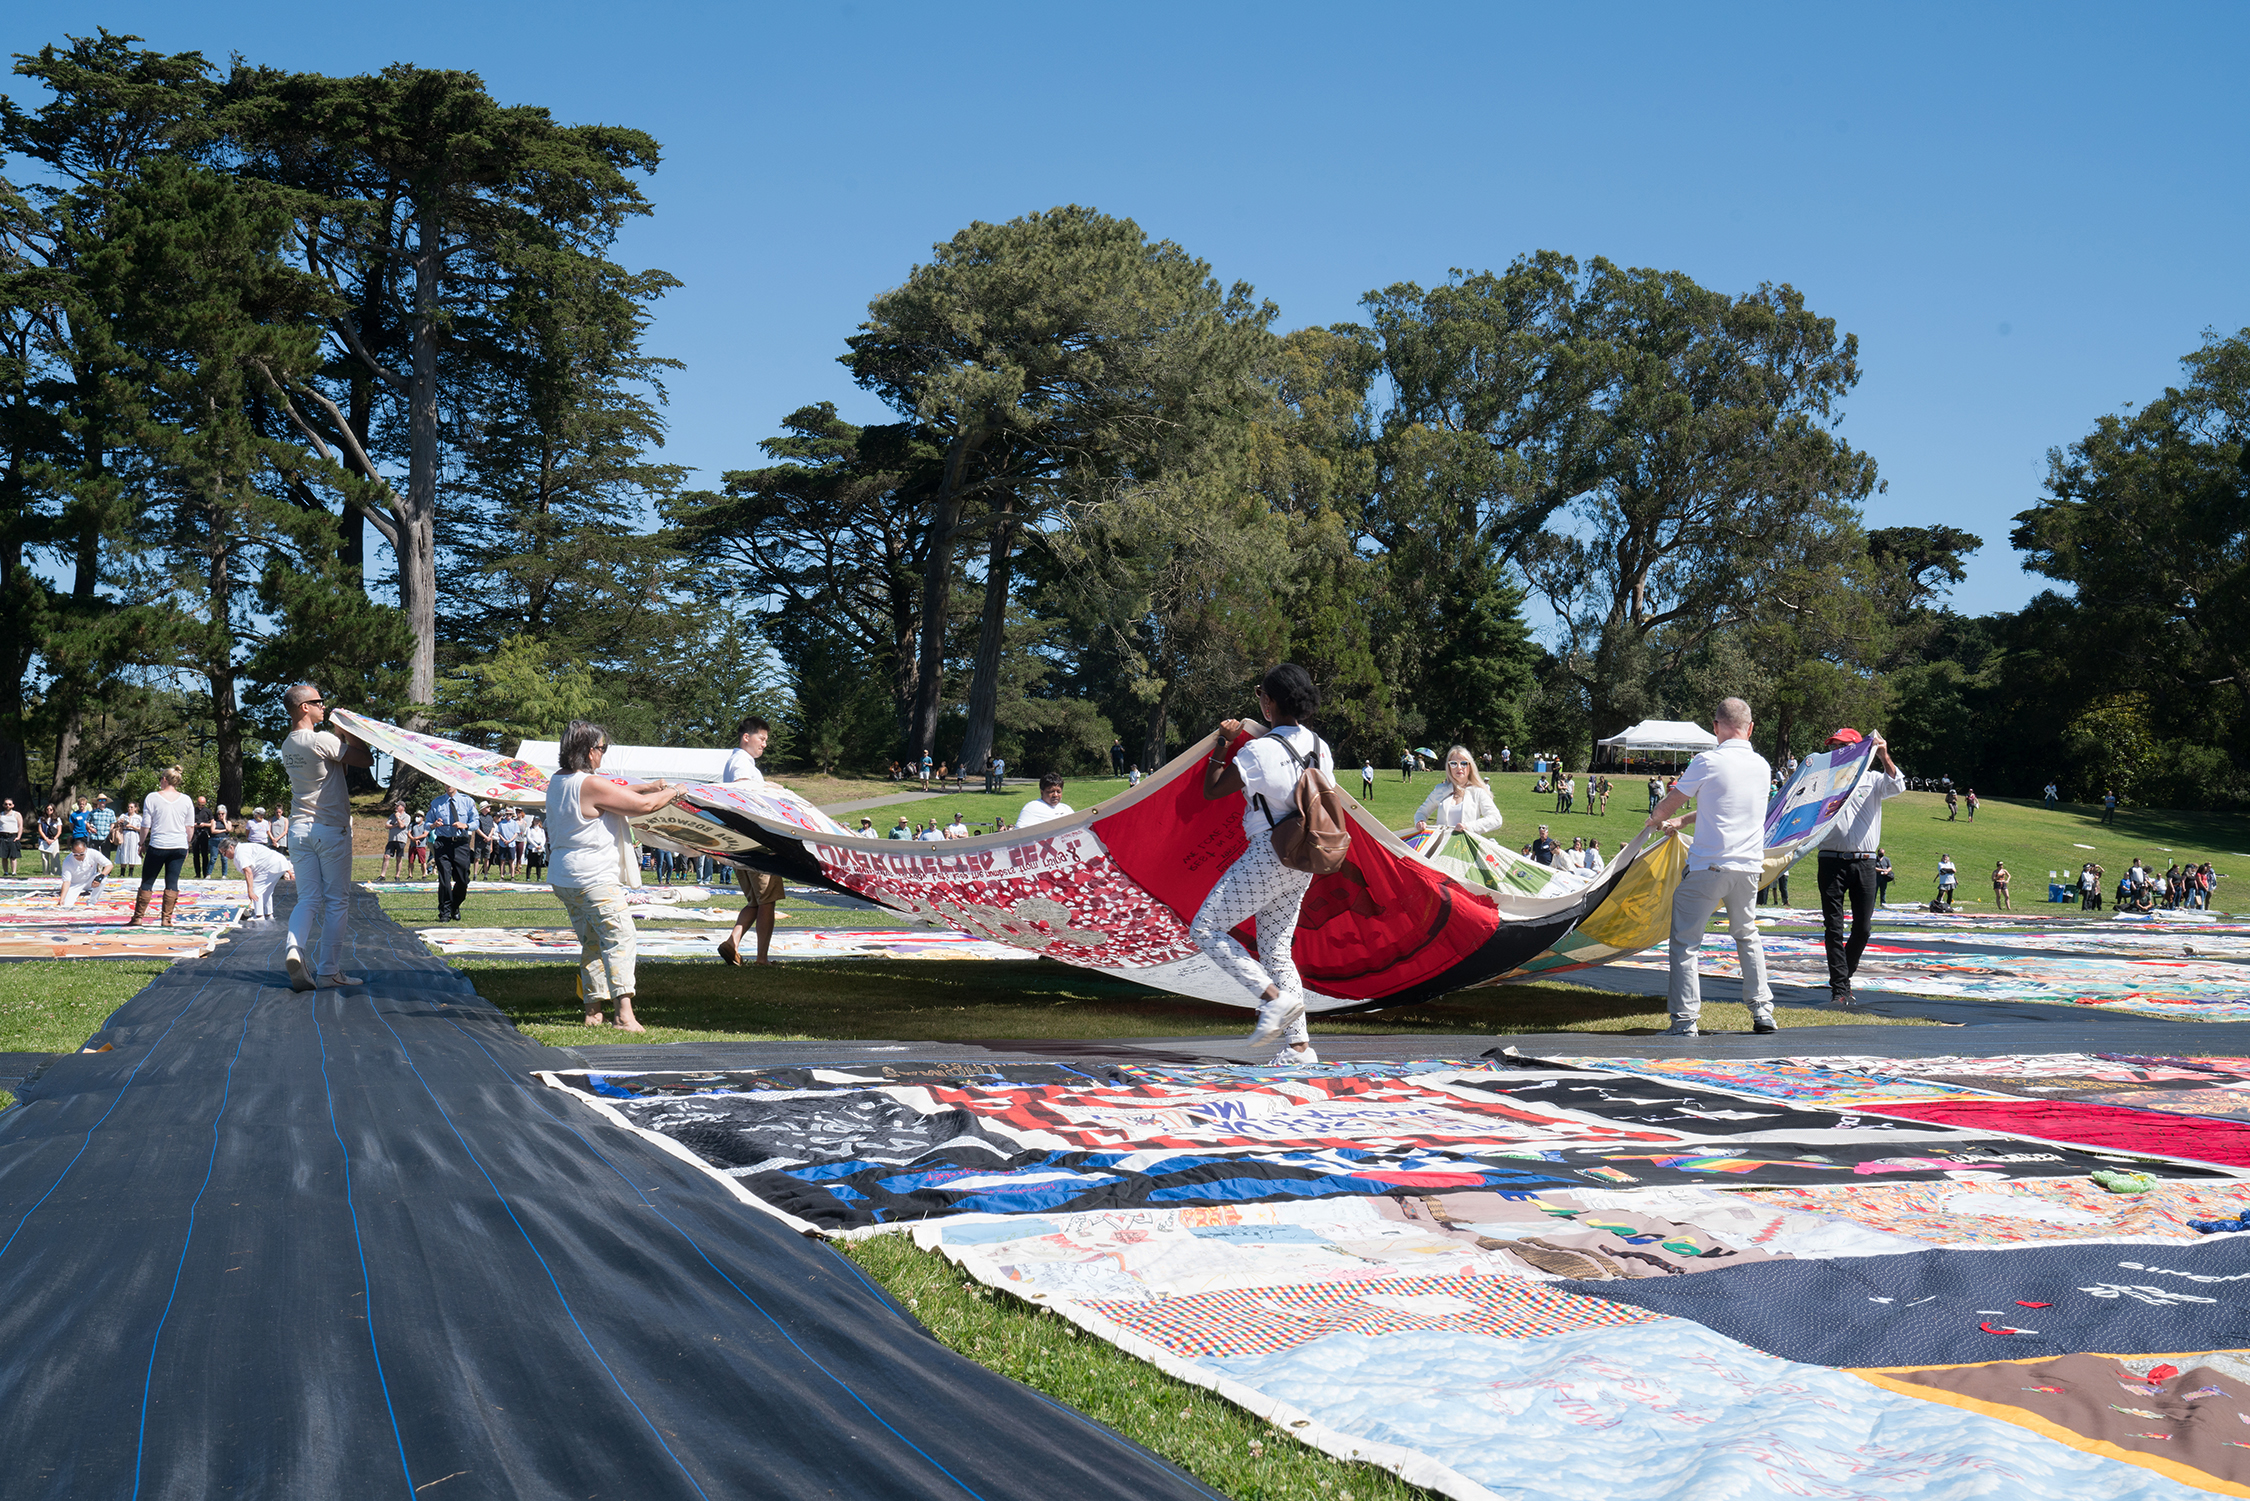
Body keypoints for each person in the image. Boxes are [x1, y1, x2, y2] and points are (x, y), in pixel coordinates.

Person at [1188, 663, 1332, 1066]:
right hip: (1305, 857)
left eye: (1260, 695)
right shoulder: (1321, 747)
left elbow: (1212, 789)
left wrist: (1223, 742)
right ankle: (1300, 1048)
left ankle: (1274, 1000)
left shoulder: (1258, 750)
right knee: (1276, 950)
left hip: (1271, 853)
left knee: (1206, 927)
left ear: (1270, 702)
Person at [1645, 697, 1775, 1038]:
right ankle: (1762, 1010)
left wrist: (1657, 818)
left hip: (1709, 866)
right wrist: (1683, 822)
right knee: (1747, 935)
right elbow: (1724, 805)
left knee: (1686, 942)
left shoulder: (1708, 761)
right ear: (1750, 728)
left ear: (1715, 727)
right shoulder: (1763, 766)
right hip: (1748, 868)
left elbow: (1676, 798)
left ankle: (1685, 1021)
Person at [547, 720, 688, 1030]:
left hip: (564, 876)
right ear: (587, 751)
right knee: (620, 938)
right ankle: (624, 1015)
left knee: (592, 942)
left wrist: (647, 786)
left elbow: (615, 791)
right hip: (593, 878)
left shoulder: (559, 780)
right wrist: (675, 791)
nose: (603, 755)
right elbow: (643, 806)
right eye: (601, 748)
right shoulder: (589, 785)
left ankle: (592, 1012)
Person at [278, 684, 373, 992]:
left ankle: (295, 949)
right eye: (317, 701)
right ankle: (329, 971)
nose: (323, 705)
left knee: (307, 898)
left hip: (299, 830)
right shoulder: (321, 739)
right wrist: (349, 728)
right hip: (330, 829)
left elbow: (338, 771)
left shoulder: (288, 744)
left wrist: (339, 734)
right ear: (304, 707)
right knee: (336, 901)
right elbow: (365, 760)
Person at [1810, 729, 1904, 1006]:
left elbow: (1898, 785)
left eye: (1843, 746)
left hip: (1864, 861)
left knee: (1862, 928)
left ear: (1858, 748)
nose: (1837, 751)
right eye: (1833, 747)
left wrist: (1884, 754)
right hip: (1830, 860)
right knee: (1833, 928)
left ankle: (1844, 976)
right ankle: (1839, 989)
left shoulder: (1873, 780)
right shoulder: (1824, 782)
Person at [716, 715, 786, 968]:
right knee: (767, 899)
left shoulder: (735, 761)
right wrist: (774, 790)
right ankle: (762, 958)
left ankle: (733, 942)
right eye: (762, 738)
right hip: (755, 840)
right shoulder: (742, 764)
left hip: (740, 840)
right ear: (747, 737)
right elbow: (743, 792)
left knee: (755, 901)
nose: (764, 744)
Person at [1412, 745, 1506, 887]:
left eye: (1463, 763)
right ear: (1448, 767)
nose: (1459, 768)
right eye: (1453, 763)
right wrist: (1420, 821)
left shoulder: (1478, 792)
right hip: (1440, 854)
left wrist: (1468, 827)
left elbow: (1496, 819)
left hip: (1466, 855)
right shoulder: (1440, 790)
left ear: (1470, 766)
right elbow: (1422, 811)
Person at [128, 767, 196, 927]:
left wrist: (141, 843)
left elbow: (146, 824)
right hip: (179, 844)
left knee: (147, 881)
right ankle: (166, 919)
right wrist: (186, 844)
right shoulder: (186, 800)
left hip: (158, 844)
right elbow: (190, 827)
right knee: (172, 882)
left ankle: (138, 918)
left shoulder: (152, 797)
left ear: (165, 779)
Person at [426, 783, 480, 922]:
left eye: (451, 783)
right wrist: (433, 825)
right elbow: (427, 823)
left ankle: (455, 906)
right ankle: (444, 912)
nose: (448, 786)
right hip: (442, 843)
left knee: (463, 880)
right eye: (445, 783)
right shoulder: (437, 802)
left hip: (461, 843)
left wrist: (465, 825)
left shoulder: (467, 801)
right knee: (444, 880)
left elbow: (476, 822)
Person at [222, 835, 291, 920]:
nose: (224, 856)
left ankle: (259, 915)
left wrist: (250, 891)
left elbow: (248, 872)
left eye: (224, 852)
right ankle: (268, 914)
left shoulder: (240, 853)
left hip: (271, 865)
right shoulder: (243, 848)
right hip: (280, 862)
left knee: (256, 889)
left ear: (231, 847)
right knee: (267, 891)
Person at [56, 835, 111, 907]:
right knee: (65, 905)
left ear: (86, 849)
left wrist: (100, 877)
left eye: (81, 854)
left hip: (90, 881)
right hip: (75, 884)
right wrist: (62, 898)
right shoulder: (68, 861)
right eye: (76, 855)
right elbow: (66, 881)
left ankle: (92, 902)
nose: (79, 857)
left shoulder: (93, 853)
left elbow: (109, 865)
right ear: (72, 851)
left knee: (103, 879)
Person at [381, 802, 412, 879]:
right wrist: (395, 825)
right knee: (386, 856)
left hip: (401, 840)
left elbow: (402, 826)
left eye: (398, 806)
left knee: (399, 857)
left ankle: (397, 875)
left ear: (403, 807)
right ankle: (382, 875)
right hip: (392, 839)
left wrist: (398, 818)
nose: (396, 807)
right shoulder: (392, 816)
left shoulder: (407, 816)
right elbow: (387, 826)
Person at [114, 801, 141, 876]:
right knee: (123, 851)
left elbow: (141, 829)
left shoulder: (138, 817)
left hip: (133, 834)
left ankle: (130, 872)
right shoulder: (123, 815)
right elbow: (116, 825)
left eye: (131, 807)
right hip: (124, 834)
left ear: (135, 808)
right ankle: (122, 872)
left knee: (132, 852)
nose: (129, 809)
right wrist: (119, 822)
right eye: (129, 807)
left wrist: (132, 826)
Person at [190, 795, 214, 878]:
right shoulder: (193, 811)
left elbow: (212, 823)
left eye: (202, 805)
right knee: (195, 854)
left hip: (204, 833)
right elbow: (188, 822)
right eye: (199, 804)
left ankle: (205, 873)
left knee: (205, 854)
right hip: (195, 834)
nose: (201, 806)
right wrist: (195, 825)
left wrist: (204, 824)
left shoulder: (208, 811)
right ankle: (197, 873)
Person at [0, 797, 19, 877]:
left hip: (13, 836)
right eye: (6, 804)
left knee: (13, 856)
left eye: (9, 804)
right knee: (4, 857)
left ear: (13, 805)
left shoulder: (17, 814)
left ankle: (14, 872)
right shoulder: (1, 815)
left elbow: (20, 826)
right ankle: (6, 872)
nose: (8, 805)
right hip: (3, 837)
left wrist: (19, 836)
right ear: (3, 805)